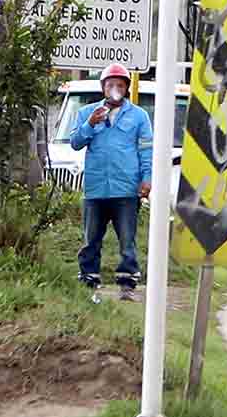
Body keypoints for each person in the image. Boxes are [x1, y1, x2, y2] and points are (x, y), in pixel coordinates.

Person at [69, 63, 153, 301]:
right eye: (110, 85)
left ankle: (127, 284)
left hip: (126, 188)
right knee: (91, 239)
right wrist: (91, 124)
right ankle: (88, 281)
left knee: (127, 239)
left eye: (120, 85)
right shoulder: (87, 113)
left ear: (126, 88)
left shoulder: (139, 116)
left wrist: (146, 180)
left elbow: (146, 149)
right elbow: (75, 143)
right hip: (96, 188)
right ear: (103, 88)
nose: (115, 88)